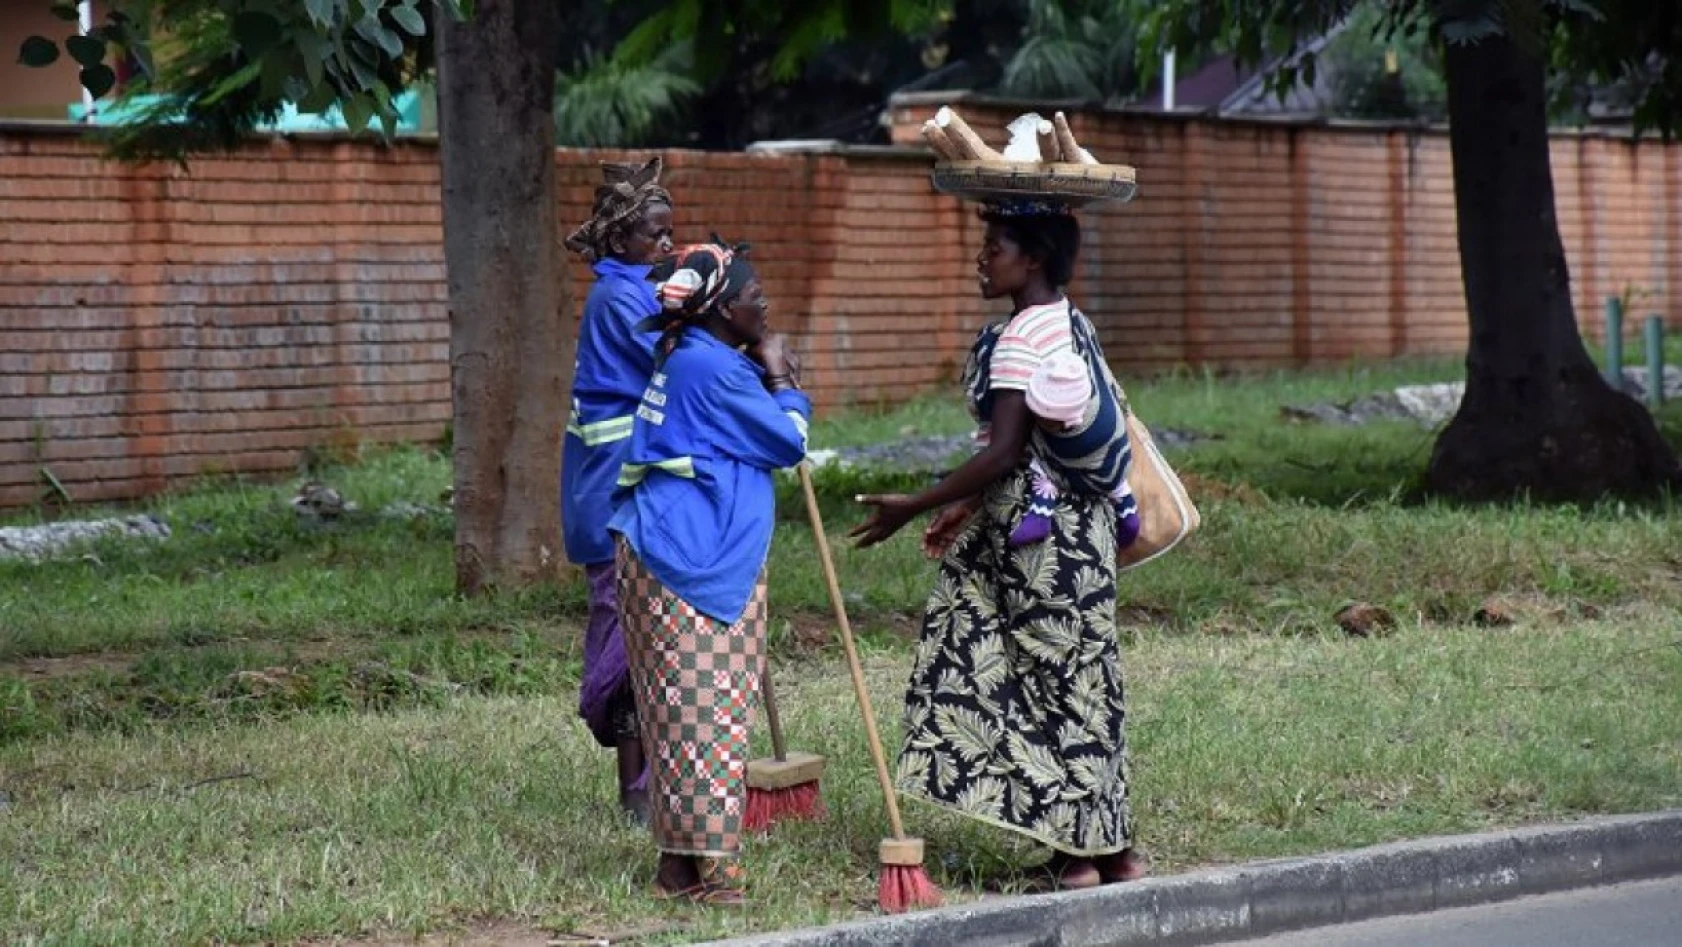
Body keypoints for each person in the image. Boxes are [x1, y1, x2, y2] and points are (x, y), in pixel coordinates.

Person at [849, 200, 1147, 891]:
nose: (981, 259)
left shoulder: (1019, 337)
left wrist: (912, 504)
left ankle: (1074, 858)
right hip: (1087, 530)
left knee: (1033, 679)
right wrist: (961, 505)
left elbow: (1006, 450)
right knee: (1088, 679)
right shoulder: (1072, 321)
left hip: (1037, 540)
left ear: (1032, 258)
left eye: (994, 247)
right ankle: (1116, 849)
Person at [607, 239, 811, 905]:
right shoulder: (718, 372)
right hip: (693, 563)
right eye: (756, 300)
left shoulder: (688, 354)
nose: (767, 306)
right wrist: (783, 382)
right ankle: (718, 871)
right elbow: (787, 443)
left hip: (659, 550)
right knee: (709, 717)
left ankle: (676, 868)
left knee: (676, 712)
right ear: (724, 309)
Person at [561, 156, 675, 826]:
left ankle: (649, 778)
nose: (665, 244)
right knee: (629, 629)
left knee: (642, 627)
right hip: (610, 488)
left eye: (670, 231)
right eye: (653, 235)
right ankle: (635, 786)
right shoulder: (622, 296)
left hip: (625, 481)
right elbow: (671, 356)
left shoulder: (638, 284)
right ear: (617, 241)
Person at [1012, 351, 1142, 548]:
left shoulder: (1085, 435)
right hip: (1117, 468)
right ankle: (1127, 510)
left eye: (1044, 418)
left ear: (1068, 421)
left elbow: (1047, 450)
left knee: (1043, 467)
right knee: (1116, 480)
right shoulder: (1099, 402)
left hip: (1090, 478)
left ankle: (1040, 514)